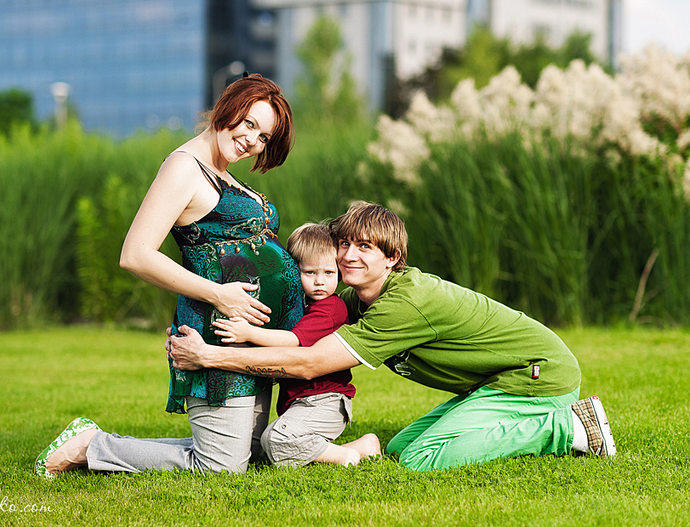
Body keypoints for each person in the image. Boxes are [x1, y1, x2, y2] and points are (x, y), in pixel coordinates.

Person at [167, 201, 616, 472]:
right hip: (495, 382)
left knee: (422, 459)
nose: (349, 255)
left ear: (392, 257)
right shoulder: (357, 297)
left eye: (365, 247)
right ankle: (552, 421)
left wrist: (210, 357)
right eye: (345, 244)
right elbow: (300, 331)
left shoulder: (404, 303)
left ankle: (567, 427)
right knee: (401, 447)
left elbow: (309, 362)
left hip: (537, 376)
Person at [35, 73, 303, 478]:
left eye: (263, 137)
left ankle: (101, 444)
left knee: (245, 453)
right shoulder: (184, 168)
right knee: (221, 467)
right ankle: (91, 445)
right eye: (249, 123)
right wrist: (219, 295)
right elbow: (136, 254)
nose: (252, 140)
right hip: (217, 331)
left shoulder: (221, 170)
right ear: (228, 107)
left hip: (249, 334)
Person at [212, 222, 381, 467]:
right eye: (310, 273)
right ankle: (361, 447)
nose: (320, 282)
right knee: (270, 445)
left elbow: (292, 341)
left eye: (329, 273)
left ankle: (346, 456)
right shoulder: (299, 306)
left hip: (325, 402)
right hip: (302, 403)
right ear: (293, 270)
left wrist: (248, 333)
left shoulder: (330, 309)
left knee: (274, 440)